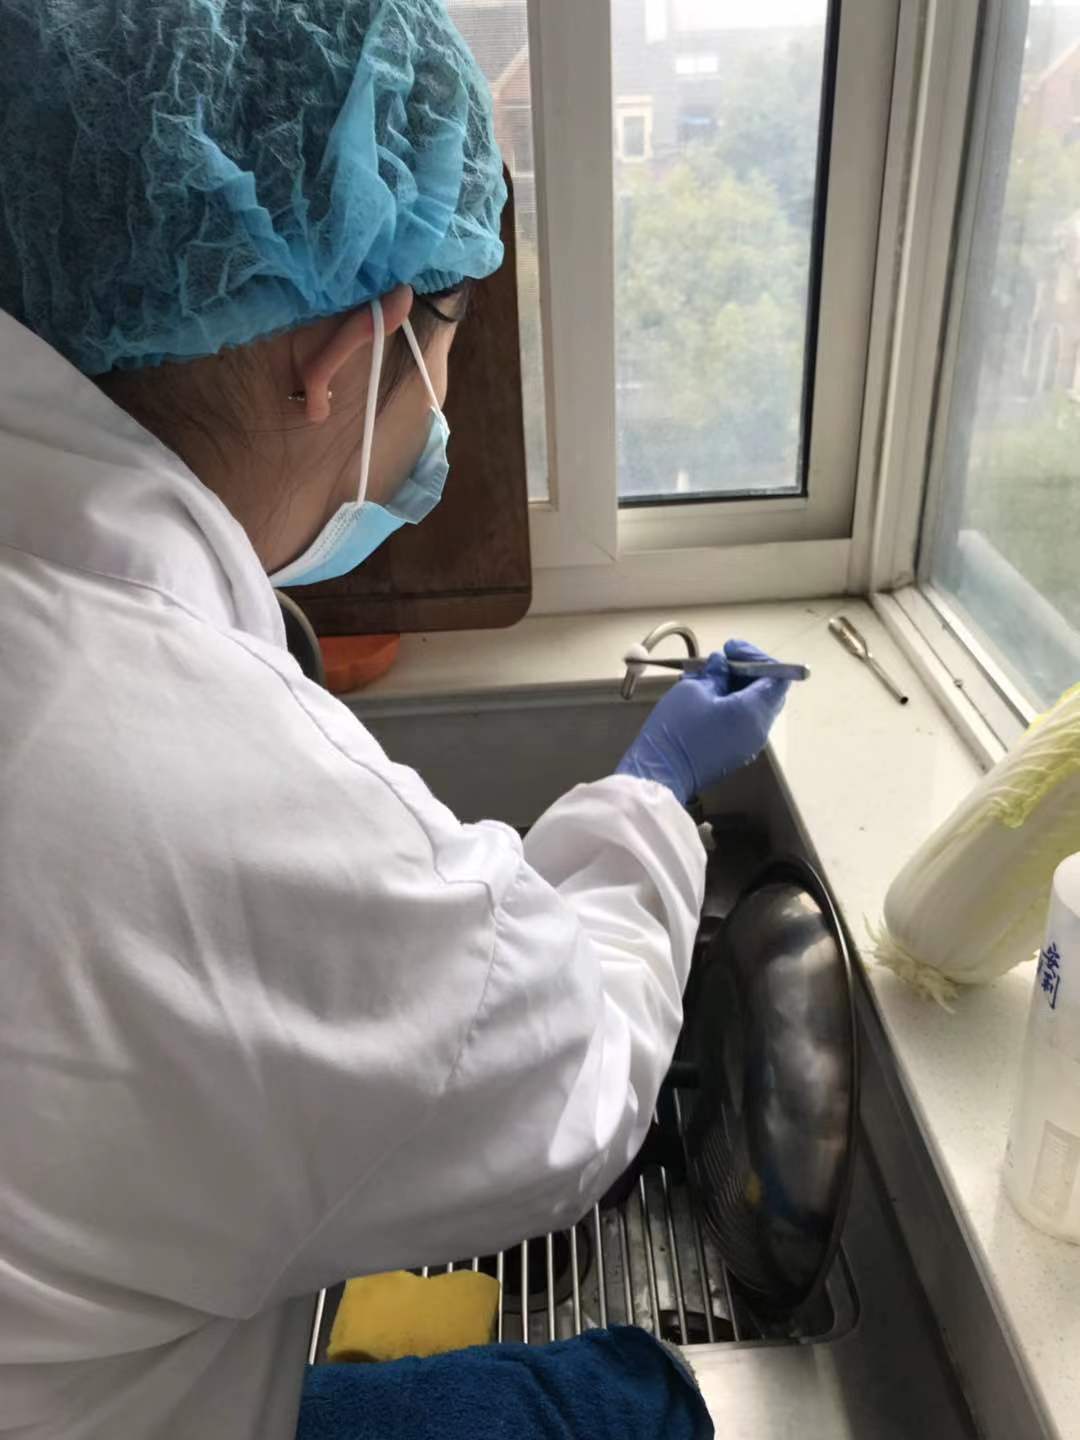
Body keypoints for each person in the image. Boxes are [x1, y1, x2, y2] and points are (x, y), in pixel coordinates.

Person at [0, 3, 789, 1437]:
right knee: (631, 1405)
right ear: (333, 355)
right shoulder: (181, 774)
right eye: (441, 340)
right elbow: (567, 1078)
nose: (435, 412)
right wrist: (657, 785)